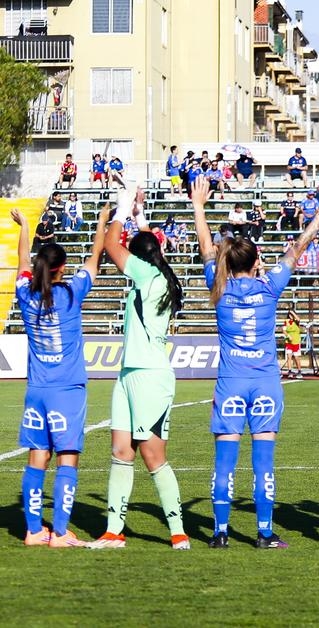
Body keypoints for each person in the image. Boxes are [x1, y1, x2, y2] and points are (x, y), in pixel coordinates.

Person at [192, 177, 319, 549]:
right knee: (264, 461)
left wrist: (198, 205)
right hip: (265, 384)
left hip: (230, 382)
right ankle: (263, 532)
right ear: (258, 261)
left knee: (224, 461)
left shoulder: (219, 286)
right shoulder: (269, 286)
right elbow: (300, 246)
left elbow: (206, 248)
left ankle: (220, 532)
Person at [89, 190, 188, 549]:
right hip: (128, 373)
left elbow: (112, 244)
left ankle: (178, 532)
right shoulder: (153, 274)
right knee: (120, 451)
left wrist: (124, 200)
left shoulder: (148, 276)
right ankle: (114, 532)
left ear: (141, 256)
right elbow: (146, 243)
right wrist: (140, 213)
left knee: (152, 455)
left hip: (150, 376)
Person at [12, 205, 104, 547]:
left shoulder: (25, 294)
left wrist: (26, 227)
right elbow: (94, 259)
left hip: (37, 389)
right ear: (62, 268)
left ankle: (34, 531)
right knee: (67, 456)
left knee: (37, 457)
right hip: (67, 390)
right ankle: (61, 532)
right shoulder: (70, 294)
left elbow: (23, 260)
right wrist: (101, 223)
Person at [282, 310, 304, 378]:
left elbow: (298, 319)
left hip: (296, 342)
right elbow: (284, 330)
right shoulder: (286, 321)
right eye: (290, 314)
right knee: (289, 357)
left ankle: (299, 371)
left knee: (297, 357)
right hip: (289, 342)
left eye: (292, 314)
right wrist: (288, 336)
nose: (291, 316)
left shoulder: (296, 321)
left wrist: (293, 313)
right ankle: (290, 371)